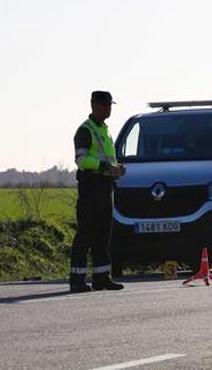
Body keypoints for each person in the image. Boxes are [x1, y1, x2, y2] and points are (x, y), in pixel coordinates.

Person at [70, 91, 126, 292]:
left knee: (103, 234)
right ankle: (77, 279)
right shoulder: (85, 130)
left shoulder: (105, 130)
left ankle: (102, 277)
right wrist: (105, 167)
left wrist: (116, 169)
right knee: (86, 233)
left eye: (110, 104)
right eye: (105, 104)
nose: (108, 108)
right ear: (94, 105)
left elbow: (107, 159)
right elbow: (81, 160)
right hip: (90, 187)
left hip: (105, 187)